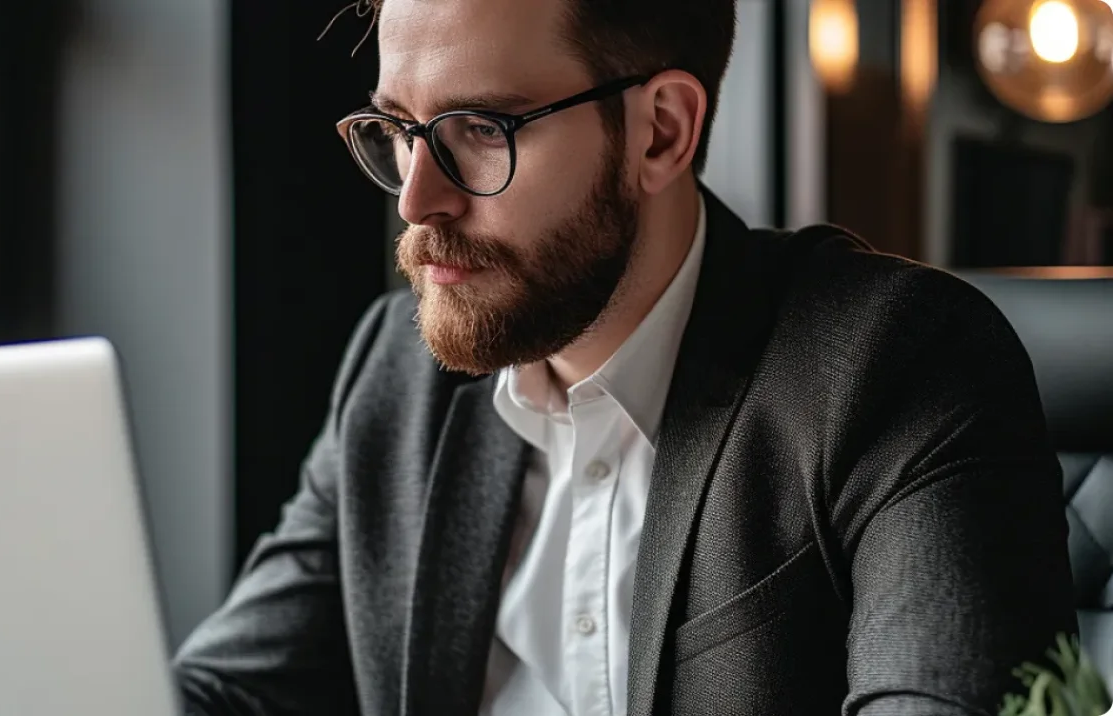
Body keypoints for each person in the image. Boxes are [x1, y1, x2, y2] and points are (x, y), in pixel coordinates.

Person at [173, 0, 1077, 713]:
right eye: (401, 129)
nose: (417, 199)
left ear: (660, 133)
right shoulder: (395, 375)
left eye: (482, 129)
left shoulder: (896, 363)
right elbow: (227, 691)